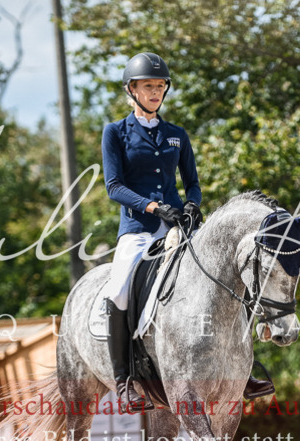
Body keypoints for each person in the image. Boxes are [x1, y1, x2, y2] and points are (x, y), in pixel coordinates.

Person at [102, 52, 271, 411]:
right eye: (148, 86)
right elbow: (114, 187)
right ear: (131, 90)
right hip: (140, 229)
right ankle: (124, 381)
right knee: (118, 290)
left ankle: (246, 367)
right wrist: (151, 206)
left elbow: (192, 183)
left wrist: (192, 204)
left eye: (160, 86)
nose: (156, 92)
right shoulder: (115, 132)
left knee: (224, 277)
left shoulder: (176, 134)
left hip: (180, 226)